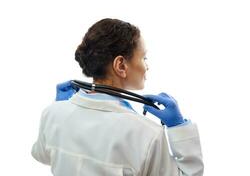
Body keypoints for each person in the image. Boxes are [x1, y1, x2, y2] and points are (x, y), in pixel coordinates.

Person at [31, 18, 204, 175]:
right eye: (144, 57)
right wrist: (180, 128)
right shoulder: (147, 134)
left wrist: (58, 113)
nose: (147, 66)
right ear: (120, 65)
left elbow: (42, 155)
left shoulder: (53, 113)